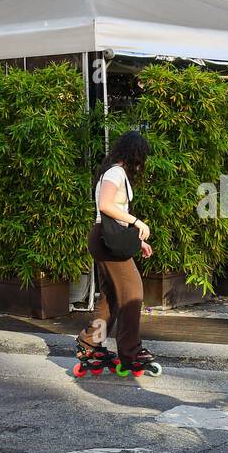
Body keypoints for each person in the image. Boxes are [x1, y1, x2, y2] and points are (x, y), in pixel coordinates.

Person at [75, 131, 157, 376]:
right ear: (134, 154)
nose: (142, 164)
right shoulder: (115, 173)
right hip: (105, 239)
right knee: (133, 294)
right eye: (141, 157)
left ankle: (91, 343)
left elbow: (112, 216)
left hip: (106, 238)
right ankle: (131, 352)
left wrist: (135, 240)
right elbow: (106, 205)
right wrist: (137, 222)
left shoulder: (114, 172)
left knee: (110, 299)